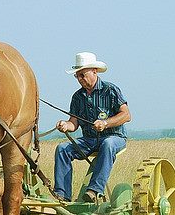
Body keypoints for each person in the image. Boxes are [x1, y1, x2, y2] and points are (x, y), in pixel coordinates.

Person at [54, 52, 131, 203]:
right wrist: (65, 125)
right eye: (77, 76)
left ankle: (94, 190)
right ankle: (62, 195)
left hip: (114, 137)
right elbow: (73, 124)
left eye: (83, 75)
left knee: (107, 144)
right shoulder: (77, 97)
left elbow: (126, 115)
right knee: (62, 149)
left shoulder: (110, 90)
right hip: (89, 140)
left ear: (94, 71)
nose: (80, 79)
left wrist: (105, 123)